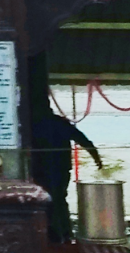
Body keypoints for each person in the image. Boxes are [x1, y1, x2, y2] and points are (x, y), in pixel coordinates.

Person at [33, 103, 103, 241]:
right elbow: (82, 139)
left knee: (45, 200)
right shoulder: (61, 123)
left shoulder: (33, 124)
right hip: (60, 169)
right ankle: (64, 231)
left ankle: (50, 231)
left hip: (42, 169)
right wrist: (96, 157)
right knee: (59, 199)